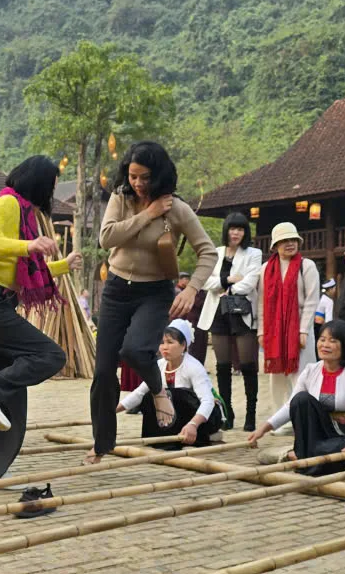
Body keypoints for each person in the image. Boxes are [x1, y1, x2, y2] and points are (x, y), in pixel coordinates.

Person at [88, 142, 217, 463]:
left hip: (155, 291)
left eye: (145, 178)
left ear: (158, 176)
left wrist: (191, 290)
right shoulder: (121, 198)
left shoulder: (177, 208)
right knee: (104, 371)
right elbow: (107, 238)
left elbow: (208, 252)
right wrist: (148, 214)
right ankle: (102, 442)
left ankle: (159, 389)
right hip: (117, 289)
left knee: (135, 349)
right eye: (133, 176)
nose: (138, 184)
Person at [0, 156, 81, 483]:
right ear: (38, 181)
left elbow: (26, 271)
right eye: (52, 185)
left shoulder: (26, 214)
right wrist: (29, 245)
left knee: (11, 411)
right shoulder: (9, 202)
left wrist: (63, 265)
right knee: (51, 355)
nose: (52, 192)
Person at [247, 321, 345, 475]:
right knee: (301, 400)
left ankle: (300, 456)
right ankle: (306, 456)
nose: (325, 345)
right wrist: (264, 428)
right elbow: (291, 406)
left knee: (333, 450)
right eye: (322, 340)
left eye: (333, 341)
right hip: (321, 436)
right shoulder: (310, 370)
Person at [232, 221, 321, 427]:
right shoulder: (266, 269)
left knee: (301, 375)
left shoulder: (307, 266)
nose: (289, 244)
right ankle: (280, 420)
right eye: (284, 241)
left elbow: (311, 300)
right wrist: (262, 331)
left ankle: (302, 419)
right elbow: (262, 303)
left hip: (299, 328)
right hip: (274, 330)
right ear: (275, 246)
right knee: (277, 377)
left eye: (293, 240)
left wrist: (303, 330)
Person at [197, 211, 263, 432]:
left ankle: (251, 414)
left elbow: (251, 282)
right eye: (233, 228)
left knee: (247, 364)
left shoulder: (253, 253)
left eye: (241, 229)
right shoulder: (216, 253)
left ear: (246, 232)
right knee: (222, 366)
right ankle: (228, 413)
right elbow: (205, 281)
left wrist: (229, 288)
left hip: (241, 311)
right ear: (227, 230)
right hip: (217, 313)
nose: (236, 233)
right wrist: (228, 280)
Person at [117, 319, 217, 448]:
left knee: (176, 395)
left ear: (184, 345)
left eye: (170, 342)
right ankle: (158, 437)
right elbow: (139, 393)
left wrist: (193, 425)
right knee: (151, 396)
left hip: (199, 418)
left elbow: (207, 401)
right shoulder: (158, 366)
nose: (164, 347)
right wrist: (111, 411)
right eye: (162, 342)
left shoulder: (193, 367)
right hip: (175, 417)